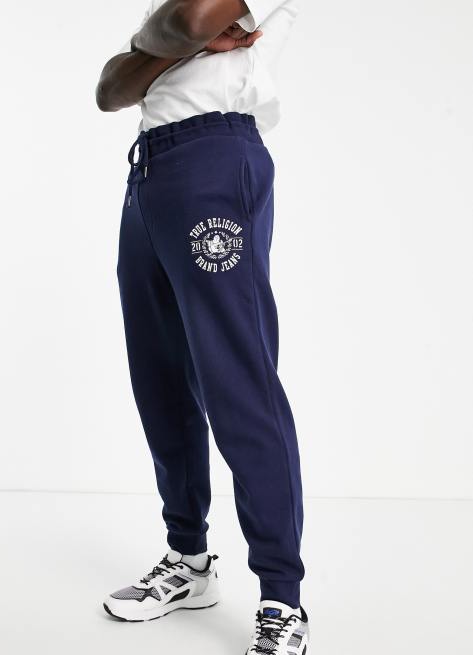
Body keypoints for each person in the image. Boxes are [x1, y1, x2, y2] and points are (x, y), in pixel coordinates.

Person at [96, 1, 309, 652]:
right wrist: (161, 40)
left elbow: (190, 20)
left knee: (237, 380)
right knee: (160, 379)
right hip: (149, 171)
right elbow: (109, 90)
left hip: (213, 157)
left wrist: (163, 44)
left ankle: (282, 597)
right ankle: (188, 561)